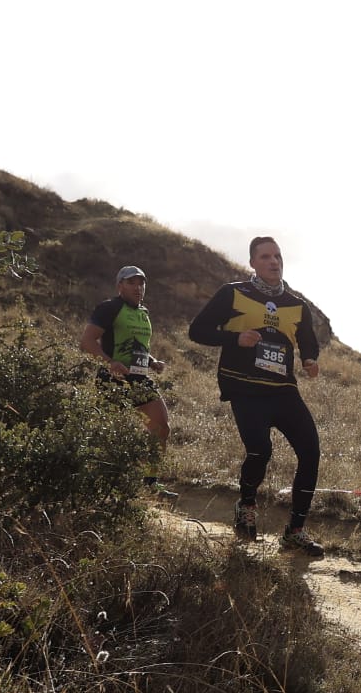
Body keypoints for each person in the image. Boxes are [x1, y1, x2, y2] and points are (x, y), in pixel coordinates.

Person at [187, 236, 324, 554]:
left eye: (277, 256)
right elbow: (198, 330)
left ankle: (295, 530)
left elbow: (308, 341)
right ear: (252, 263)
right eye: (265, 257)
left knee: (311, 452)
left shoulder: (296, 305)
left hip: (283, 391)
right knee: (260, 451)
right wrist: (235, 338)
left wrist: (310, 360)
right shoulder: (233, 293)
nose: (274, 261)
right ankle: (246, 506)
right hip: (244, 387)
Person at [80, 264, 175, 498]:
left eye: (141, 283)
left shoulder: (144, 313)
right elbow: (87, 342)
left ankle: (149, 484)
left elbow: (137, 345)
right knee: (107, 435)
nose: (138, 287)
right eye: (131, 282)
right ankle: (100, 484)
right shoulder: (109, 307)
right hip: (113, 380)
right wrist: (109, 362)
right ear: (119, 285)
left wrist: (152, 362)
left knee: (161, 427)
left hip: (140, 379)